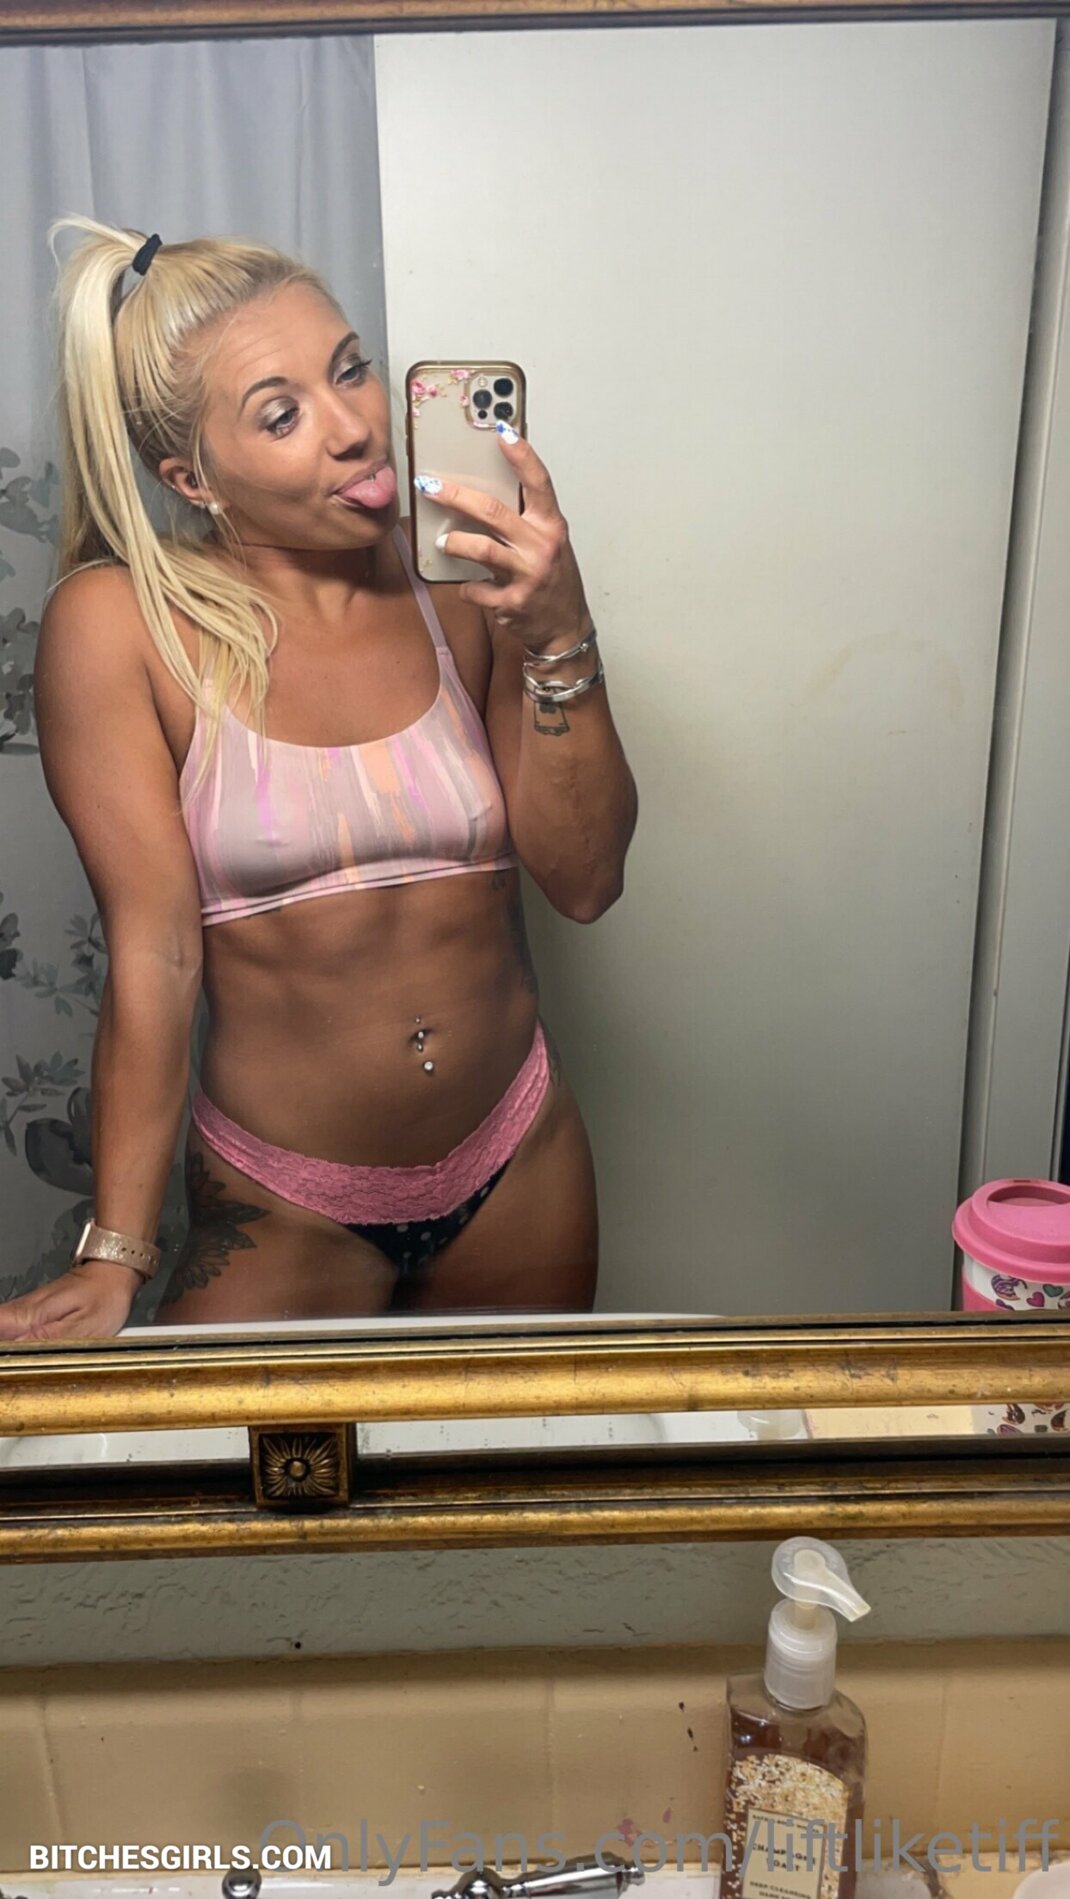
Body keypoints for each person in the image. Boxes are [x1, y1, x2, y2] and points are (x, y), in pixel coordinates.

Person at [0, 219, 637, 1342]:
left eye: (350, 369)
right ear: (190, 477)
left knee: (519, 1455)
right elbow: (155, 953)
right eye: (280, 414)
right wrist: (115, 1252)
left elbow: (584, 881)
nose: (354, 428)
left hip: (521, 1154)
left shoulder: (458, 585)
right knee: (266, 1461)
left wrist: (556, 629)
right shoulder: (121, 627)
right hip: (285, 1201)